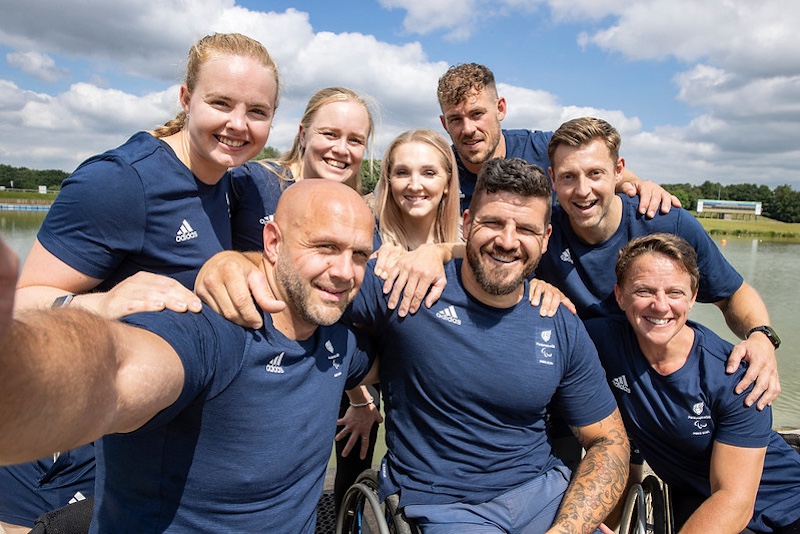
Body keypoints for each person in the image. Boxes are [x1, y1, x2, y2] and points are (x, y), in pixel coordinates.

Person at [1, 32, 280, 533]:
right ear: (185, 98)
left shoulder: (235, 185)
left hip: (140, 446)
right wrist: (102, 302)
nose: (238, 124)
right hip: (56, 451)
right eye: (221, 103)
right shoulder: (120, 182)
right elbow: (22, 306)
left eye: (257, 112)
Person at [0, 180, 378, 533]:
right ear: (274, 242)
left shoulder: (338, 343)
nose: (345, 272)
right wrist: (21, 369)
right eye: (325, 247)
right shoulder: (211, 329)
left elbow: (404, 363)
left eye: (359, 255)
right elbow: (115, 368)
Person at [342, 157, 629, 533]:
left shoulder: (559, 320)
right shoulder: (408, 287)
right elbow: (304, 297)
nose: (507, 241)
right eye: (493, 222)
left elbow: (609, 441)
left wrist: (568, 529)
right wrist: (238, 269)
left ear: (544, 239)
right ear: (466, 224)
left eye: (525, 229)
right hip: (446, 508)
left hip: (544, 496)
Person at [537, 117, 780, 409]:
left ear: (618, 171)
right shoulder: (542, 232)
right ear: (552, 178)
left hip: (653, 392)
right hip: (581, 387)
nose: (583, 189)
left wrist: (762, 337)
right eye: (568, 177)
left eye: (595, 173)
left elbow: (732, 294)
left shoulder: (667, 221)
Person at [585, 233, 800, 533]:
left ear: (693, 296)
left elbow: (734, 501)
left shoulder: (735, 375)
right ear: (619, 296)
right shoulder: (600, 339)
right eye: (644, 291)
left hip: (785, 506)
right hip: (701, 498)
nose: (660, 306)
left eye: (674, 292)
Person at [436, 62, 678, 216]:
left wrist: (643, 186)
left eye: (477, 114)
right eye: (456, 119)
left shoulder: (546, 149)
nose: (468, 129)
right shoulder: (436, 170)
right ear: (444, 124)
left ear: (500, 108)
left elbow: (617, 178)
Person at [228, 86, 375, 254]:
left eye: (355, 140)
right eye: (330, 134)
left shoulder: (358, 213)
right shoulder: (253, 182)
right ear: (303, 135)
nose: (341, 149)